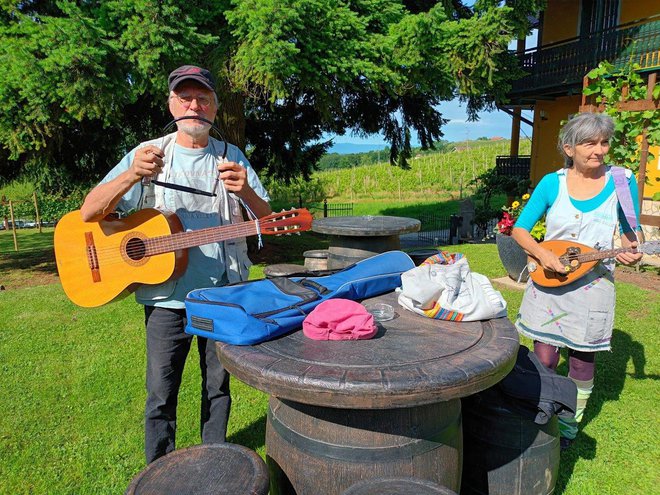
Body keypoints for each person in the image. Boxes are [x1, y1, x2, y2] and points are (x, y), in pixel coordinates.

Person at [80, 65, 271, 463]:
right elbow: (89, 212)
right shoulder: (148, 154)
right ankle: (158, 469)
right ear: (171, 104)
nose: (193, 106)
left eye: (203, 99)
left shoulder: (231, 157)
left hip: (221, 295)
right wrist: (131, 176)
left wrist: (247, 192)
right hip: (165, 298)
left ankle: (214, 461)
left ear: (215, 108)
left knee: (218, 387)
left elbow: (266, 223)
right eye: (185, 98)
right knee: (160, 393)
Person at [511, 112, 642, 449]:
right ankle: (544, 411)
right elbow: (520, 229)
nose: (599, 150)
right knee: (545, 357)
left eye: (604, 142)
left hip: (592, 284)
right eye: (589, 143)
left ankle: (568, 428)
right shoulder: (552, 183)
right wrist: (542, 254)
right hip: (549, 279)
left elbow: (631, 233)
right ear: (568, 148)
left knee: (583, 360)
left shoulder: (623, 182)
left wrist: (632, 250)